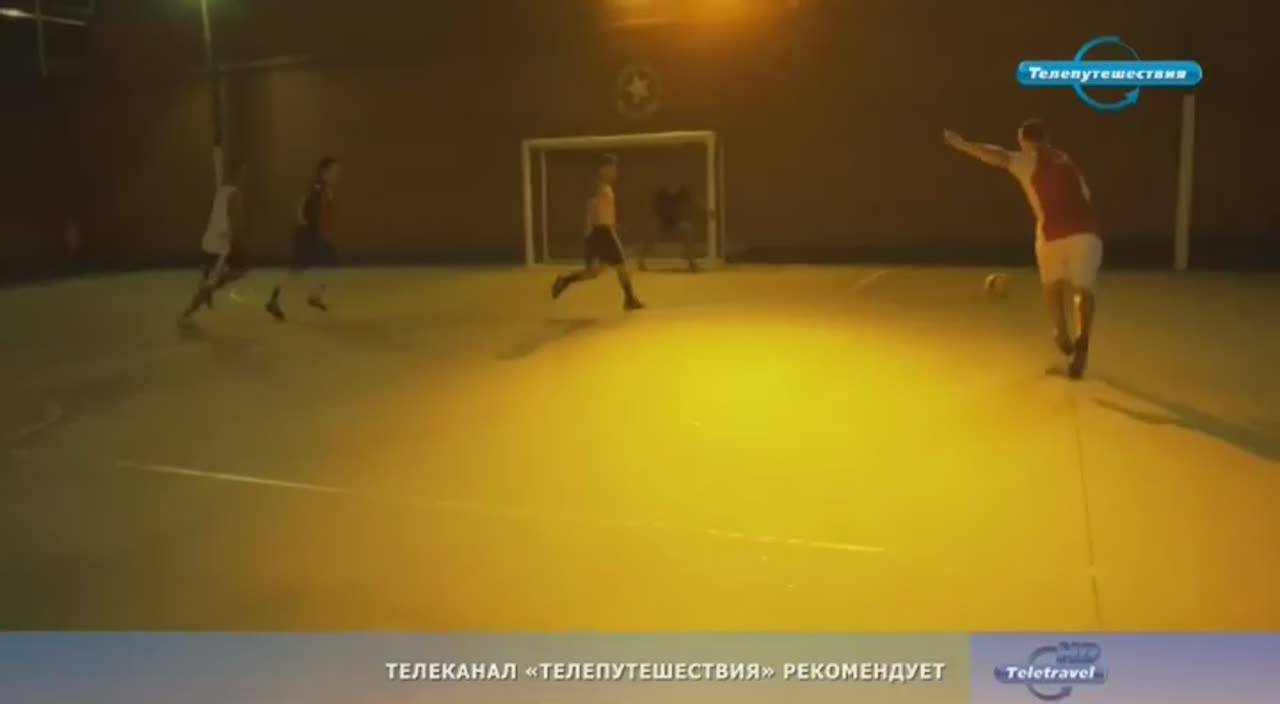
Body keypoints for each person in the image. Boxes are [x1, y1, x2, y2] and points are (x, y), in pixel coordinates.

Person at [943, 119, 1102, 379]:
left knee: (1052, 285)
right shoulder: (1067, 161)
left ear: (1024, 142)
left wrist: (963, 145)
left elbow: (996, 155)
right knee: (1083, 290)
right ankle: (1082, 341)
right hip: (1087, 234)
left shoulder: (1028, 160)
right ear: (1047, 138)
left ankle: (1061, 332)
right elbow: (1085, 195)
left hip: (1052, 234)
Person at [551, 154, 645, 311]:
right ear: (603, 169)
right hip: (603, 232)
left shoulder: (605, 187)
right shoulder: (600, 187)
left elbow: (601, 209)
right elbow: (591, 206)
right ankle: (629, 300)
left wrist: (611, 225)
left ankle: (564, 281)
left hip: (602, 231)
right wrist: (589, 229)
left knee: (594, 272)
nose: (614, 172)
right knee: (621, 265)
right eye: (612, 168)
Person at [266, 157, 340, 322]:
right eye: (334, 171)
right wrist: (300, 219)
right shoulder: (317, 186)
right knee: (296, 269)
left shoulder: (327, 189)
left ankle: (314, 295)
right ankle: (274, 299)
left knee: (329, 260)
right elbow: (302, 201)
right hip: (306, 233)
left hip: (317, 235)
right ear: (324, 171)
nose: (337, 175)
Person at [180, 164, 248, 324]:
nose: (245, 179)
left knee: (217, 278)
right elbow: (234, 221)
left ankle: (206, 292)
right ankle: (188, 312)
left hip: (208, 241)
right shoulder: (235, 195)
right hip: (221, 246)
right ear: (238, 176)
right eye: (243, 175)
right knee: (228, 276)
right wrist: (235, 238)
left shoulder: (220, 192)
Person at [640, 186, 703, 272]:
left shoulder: (681, 194)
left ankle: (691, 261)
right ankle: (641, 260)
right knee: (651, 233)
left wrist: (704, 208)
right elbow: (652, 208)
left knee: (688, 230)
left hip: (676, 223)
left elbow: (694, 201)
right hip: (661, 222)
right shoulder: (661, 195)